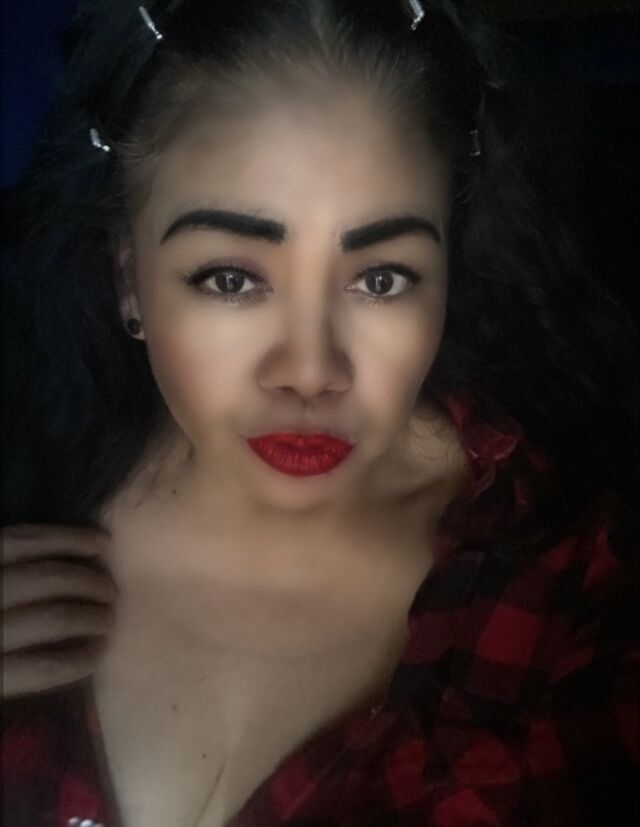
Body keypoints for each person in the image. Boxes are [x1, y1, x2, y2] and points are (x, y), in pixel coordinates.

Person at [2, 1, 638, 825]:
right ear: (129, 278)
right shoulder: (26, 464)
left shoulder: (572, 596)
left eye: (381, 278)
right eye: (231, 278)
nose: (310, 372)